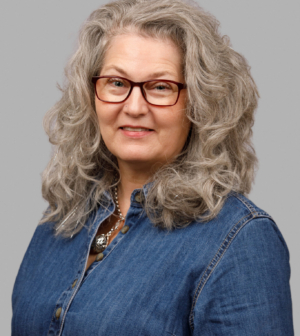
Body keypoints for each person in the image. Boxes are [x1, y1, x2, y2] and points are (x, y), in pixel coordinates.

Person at [11, 0, 294, 334]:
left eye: (160, 87)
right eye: (116, 83)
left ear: (201, 103)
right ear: (91, 94)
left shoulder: (241, 239)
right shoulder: (63, 216)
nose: (133, 107)